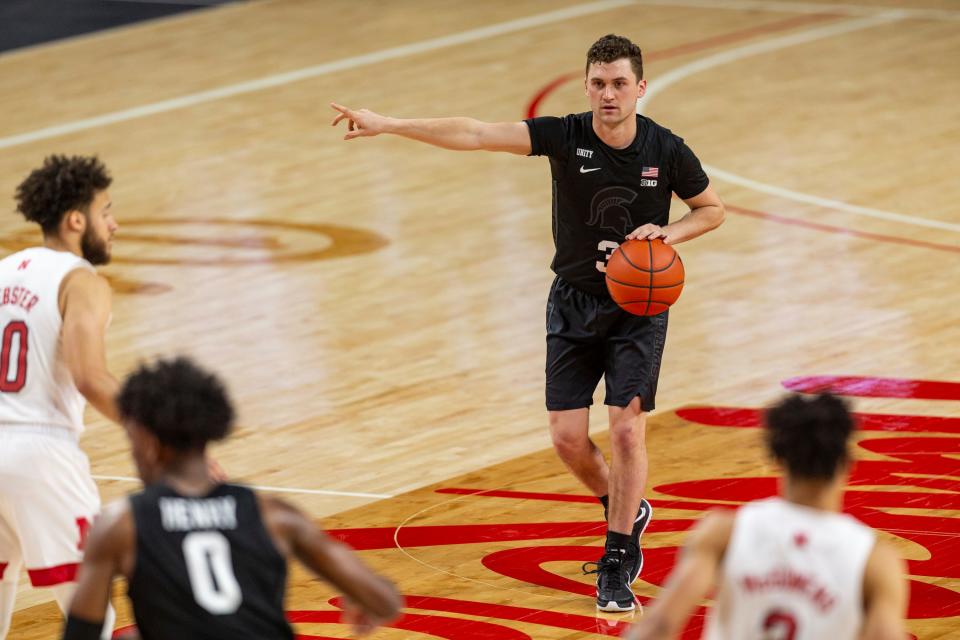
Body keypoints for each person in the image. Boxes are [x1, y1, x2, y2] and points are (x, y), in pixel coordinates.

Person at [330, 33, 725, 611]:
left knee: (624, 428)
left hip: (638, 308)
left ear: (640, 87)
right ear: (586, 85)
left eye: (619, 83)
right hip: (572, 299)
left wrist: (669, 234)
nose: (608, 94)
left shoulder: (667, 150)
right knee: (567, 439)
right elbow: (476, 133)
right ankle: (628, 507)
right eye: (598, 83)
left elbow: (712, 209)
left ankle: (617, 558)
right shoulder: (565, 135)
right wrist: (388, 123)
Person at [63, 356, 402, 640]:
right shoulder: (276, 516)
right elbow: (386, 603)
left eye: (132, 441)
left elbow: (80, 634)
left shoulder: (121, 525)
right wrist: (366, 596)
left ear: (150, 444)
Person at [627, 393, 908, 640]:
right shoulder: (875, 561)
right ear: (847, 462)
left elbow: (659, 627)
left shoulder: (724, 532)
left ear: (776, 456)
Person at [0, 155, 120, 638]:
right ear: (76, 220)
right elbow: (91, 378)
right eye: (105, 211)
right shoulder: (81, 281)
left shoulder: (3, 271)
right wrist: (164, 435)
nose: (114, 224)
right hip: (41, 453)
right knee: (92, 615)